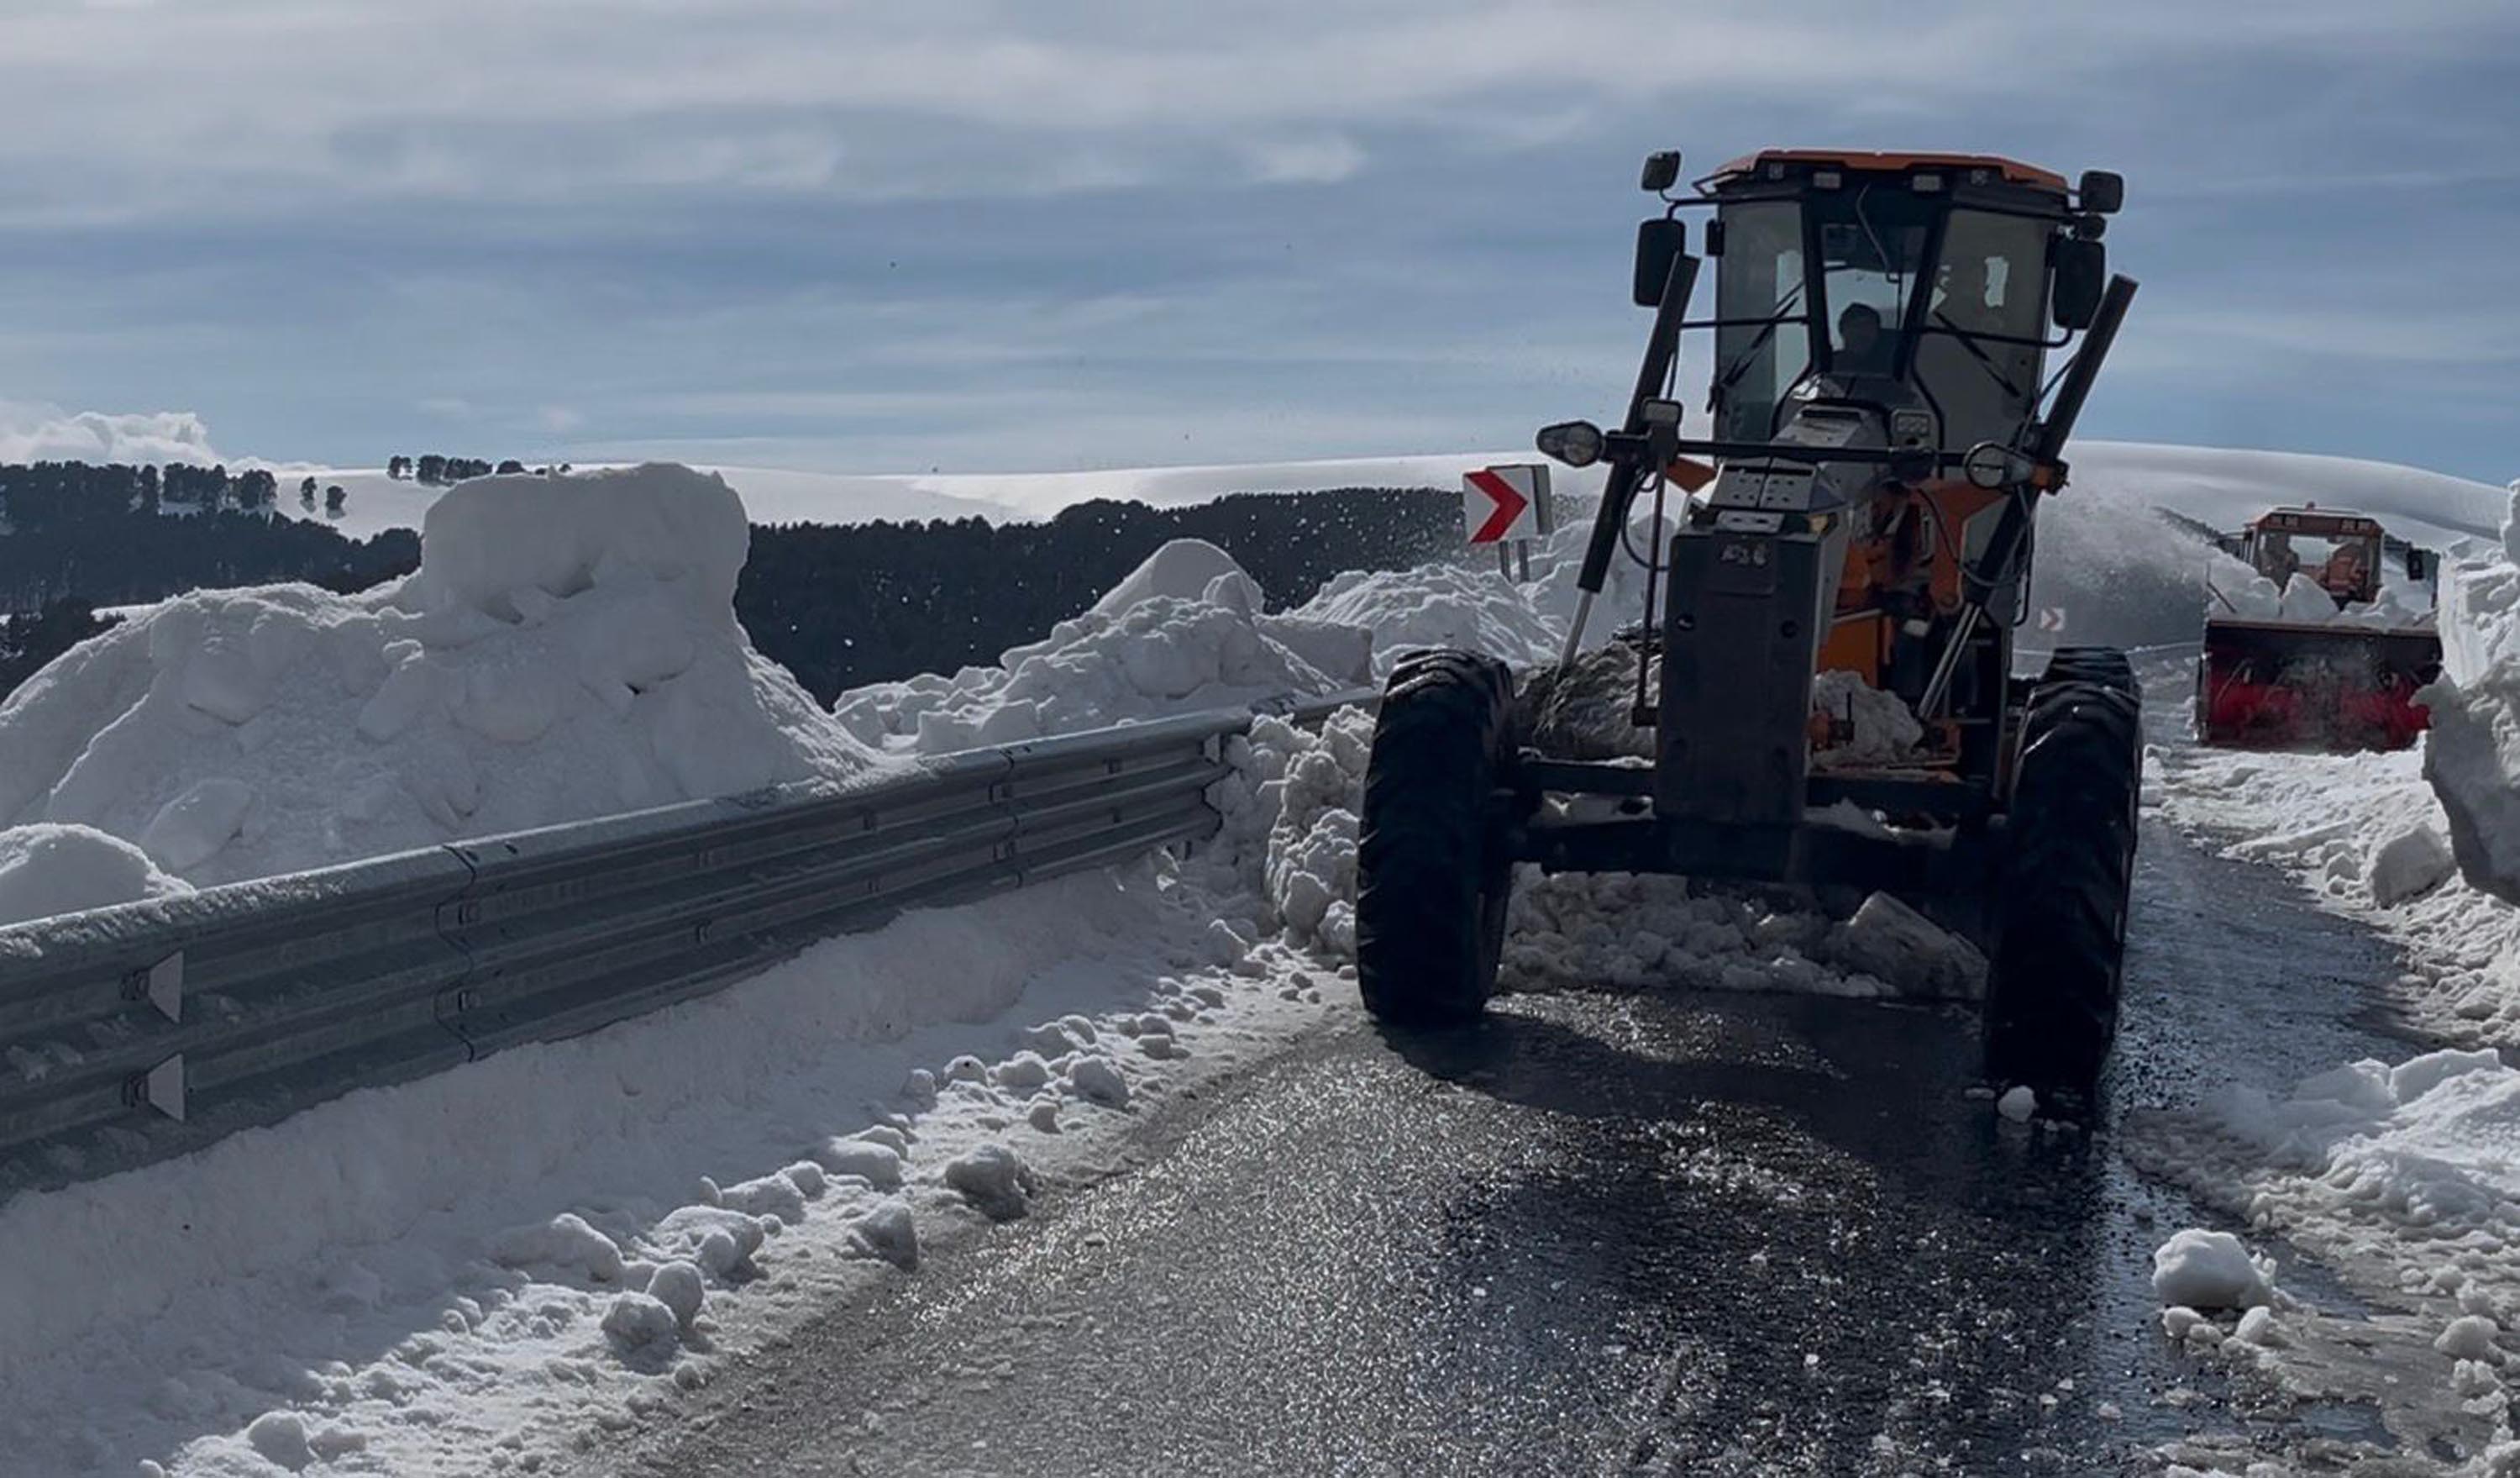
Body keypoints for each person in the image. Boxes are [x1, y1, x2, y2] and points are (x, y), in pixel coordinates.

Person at [1835, 302, 1897, 376]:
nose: (1862, 332)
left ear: (1877, 332)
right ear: (1842, 330)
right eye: (1856, 326)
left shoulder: (1894, 367)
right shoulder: (1828, 366)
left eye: (1868, 326)